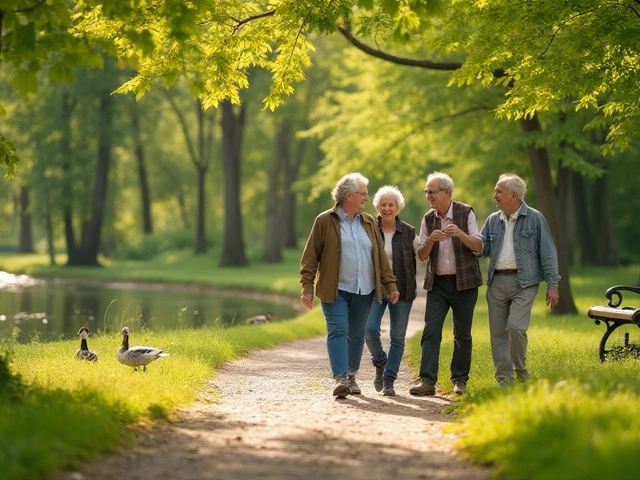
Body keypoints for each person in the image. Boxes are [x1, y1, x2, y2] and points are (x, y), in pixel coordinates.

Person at [300, 173, 400, 398]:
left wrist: (390, 285)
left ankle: (352, 376)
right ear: (349, 196)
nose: (366, 197)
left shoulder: (368, 222)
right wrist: (307, 287)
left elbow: (380, 258)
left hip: (364, 290)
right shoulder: (325, 220)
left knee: (355, 334)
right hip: (335, 289)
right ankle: (340, 378)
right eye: (363, 193)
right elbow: (310, 257)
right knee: (338, 330)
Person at [478, 173, 560, 386]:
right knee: (497, 334)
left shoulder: (535, 218)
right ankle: (504, 379)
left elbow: (548, 253)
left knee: (515, 327)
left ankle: (521, 371)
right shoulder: (492, 220)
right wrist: (464, 238)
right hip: (496, 282)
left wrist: (553, 285)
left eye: (499, 192)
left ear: (513, 195)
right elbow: (481, 249)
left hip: (525, 283)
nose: (494, 195)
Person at [410, 172, 483, 397]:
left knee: (462, 335)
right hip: (439, 284)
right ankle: (427, 381)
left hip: (465, 284)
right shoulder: (428, 218)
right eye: (426, 192)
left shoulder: (465, 212)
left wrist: (460, 233)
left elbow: (478, 247)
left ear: (446, 192)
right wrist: (431, 239)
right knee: (431, 331)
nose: (428, 196)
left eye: (431, 192)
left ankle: (459, 381)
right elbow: (421, 255)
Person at [365, 186, 420, 396]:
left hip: (403, 289)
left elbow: (422, 255)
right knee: (368, 329)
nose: (387, 208)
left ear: (398, 207)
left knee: (398, 337)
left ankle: (389, 379)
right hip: (374, 289)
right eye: (383, 204)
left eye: (391, 205)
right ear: (377, 207)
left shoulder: (409, 231)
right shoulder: (369, 229)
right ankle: (380, 361)